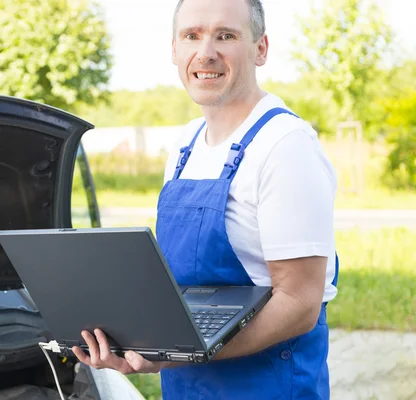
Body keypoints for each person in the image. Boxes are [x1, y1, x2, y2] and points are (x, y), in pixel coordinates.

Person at [72, 0, 339, 398]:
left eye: (225, 35)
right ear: (175, 50)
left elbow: (300, 304)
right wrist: (136, 341)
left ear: (261, 48)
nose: (206, 52)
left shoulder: (285, 147)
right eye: (192, 36)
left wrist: (181, 354)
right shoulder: (184, 147)